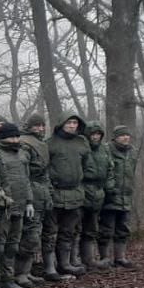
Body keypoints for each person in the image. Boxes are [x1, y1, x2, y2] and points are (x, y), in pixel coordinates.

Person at [46, 112, 90, 279]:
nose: (72, 125)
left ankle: (65, 264)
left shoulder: (81, 143)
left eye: (74, 123)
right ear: (61, 123)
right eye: (69, 122)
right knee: (50, 232)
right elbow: (44, 169)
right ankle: (50, 268)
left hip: (75, 194)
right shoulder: (50, 144)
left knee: (68, 231)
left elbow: (85, 166)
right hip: (55, 193)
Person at [0, 123, 30, 288]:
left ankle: (8, 278)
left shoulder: (22, 154)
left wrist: (29, 201)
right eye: (11, 136)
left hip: (19, 206)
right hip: (3, 208)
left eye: (17, 136)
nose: (15, 140)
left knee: (13, 245)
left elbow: (27, 180)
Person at [21, 114, 57, 282]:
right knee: (31, 234)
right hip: (32, 194)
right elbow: (24, 174)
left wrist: (50, 192)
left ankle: (50, 268)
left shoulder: (43, 144)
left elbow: (45, 173)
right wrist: (29, 199)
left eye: (42, 125)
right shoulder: (24, 144)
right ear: (29, 126)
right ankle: (23, 272)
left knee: (49, 231)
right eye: (37, 126)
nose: (41, 128)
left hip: (44, 193)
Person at [102, 125, 138, 267]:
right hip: (110, 197)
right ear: (115, 137)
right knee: (106, 229)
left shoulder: (132, 152)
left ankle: (120, 257)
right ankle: (105, 258)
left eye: (127, 135)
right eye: (122, 135)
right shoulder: (106, 150)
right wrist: (109, 190)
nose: (126, 137)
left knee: (123, 229)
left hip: (126, 197)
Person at [81, 123, 111, 270]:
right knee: (75, 228)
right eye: (93, 134)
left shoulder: (104, 150)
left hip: (99, 192)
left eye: (98, 134)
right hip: (82, 191)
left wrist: (109, 186)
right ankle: (75, 260)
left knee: (92, 228)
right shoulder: (82, 148)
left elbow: (110, 168)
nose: (95, 136)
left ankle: (89, 260)